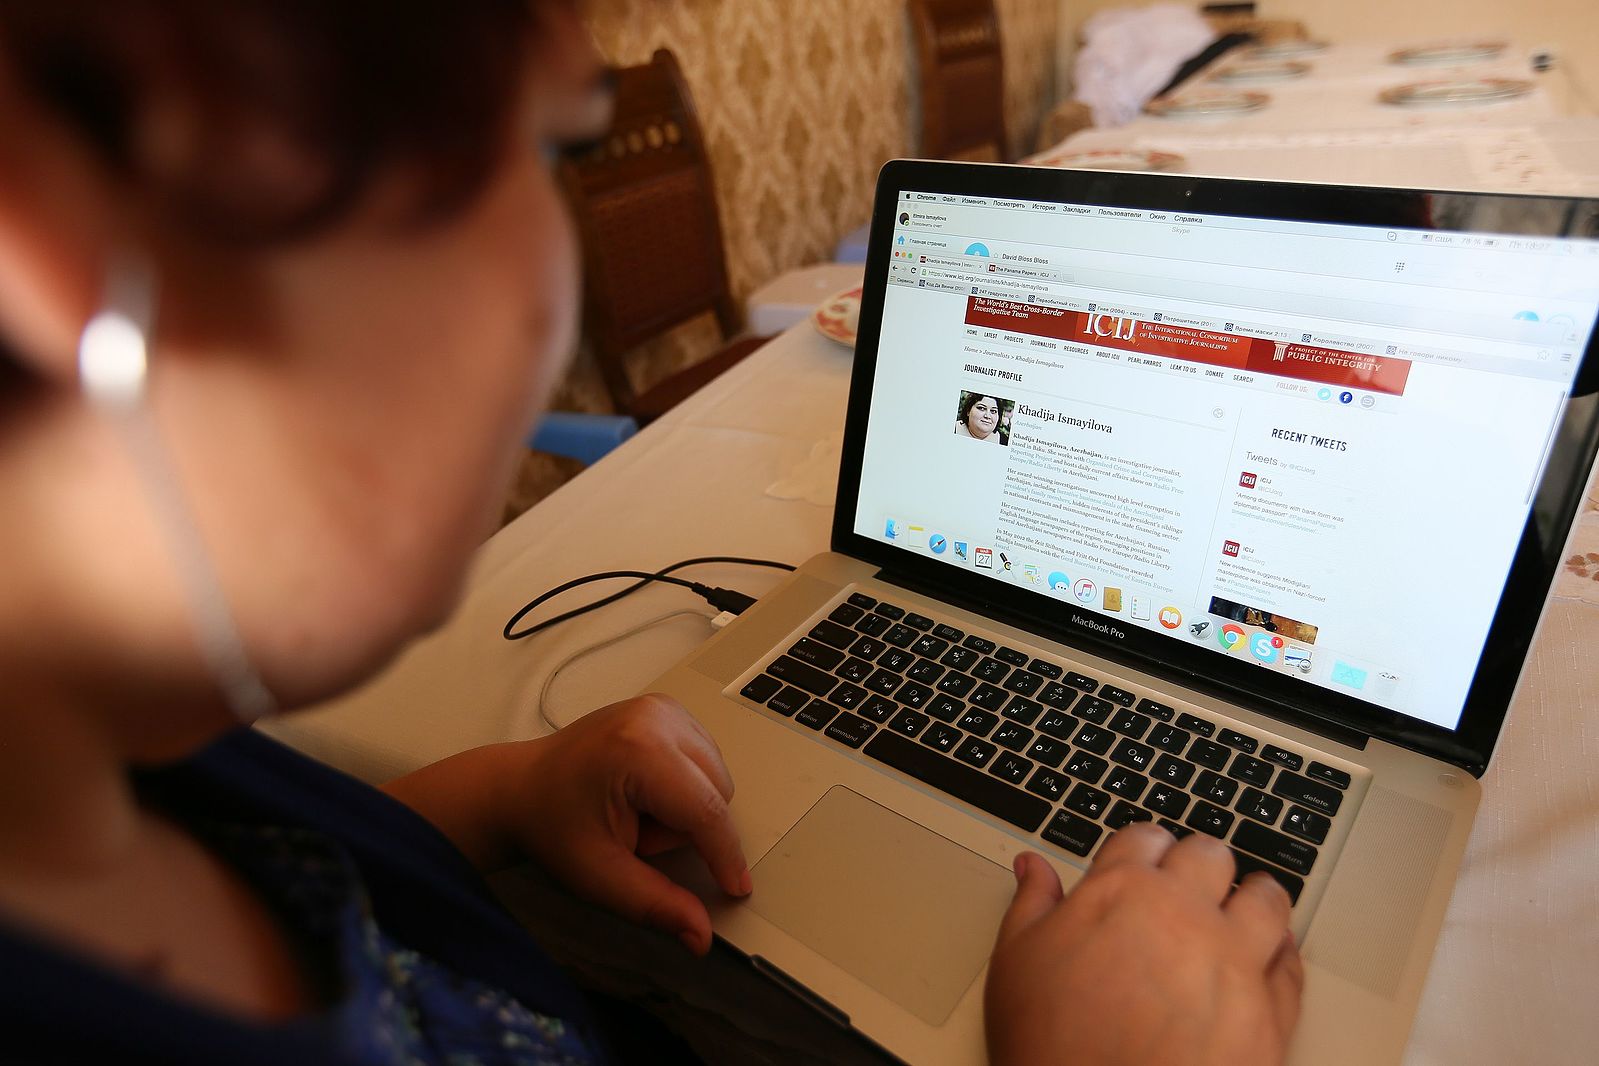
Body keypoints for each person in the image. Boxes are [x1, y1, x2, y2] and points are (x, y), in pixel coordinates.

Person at [0, 4, 1302, 1065]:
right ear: (72, 266)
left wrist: (508, 793)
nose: (552, 296)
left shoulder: (122, 768)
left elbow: (309, 862)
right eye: (536, 152)